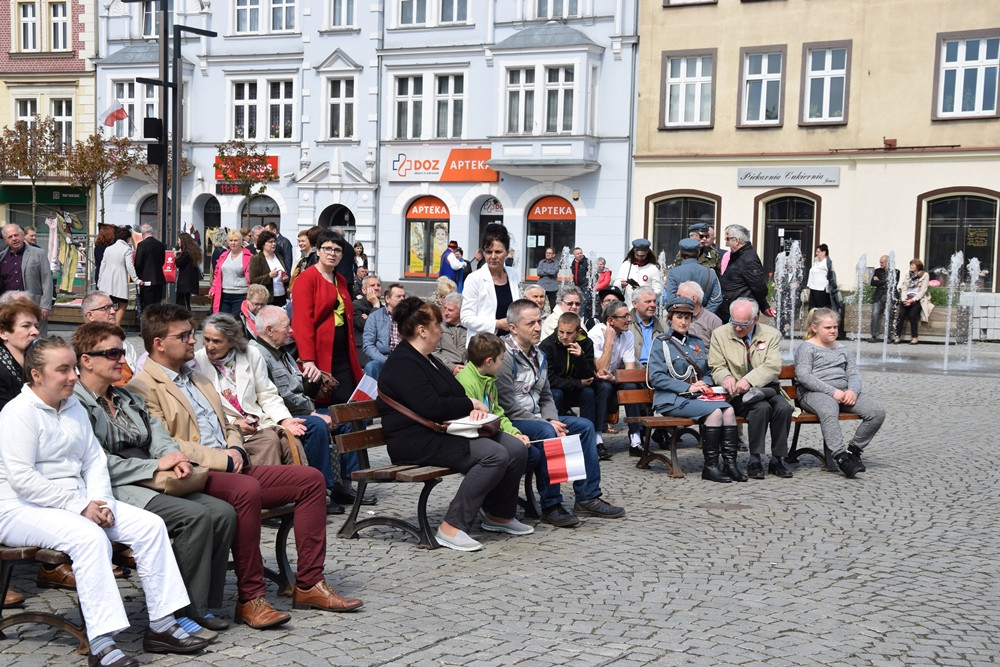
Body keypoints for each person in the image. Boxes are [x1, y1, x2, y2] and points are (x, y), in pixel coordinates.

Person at [127, 303, 364, 629]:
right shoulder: (142, 387)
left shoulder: (196, 377)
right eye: (184, 336)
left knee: (310, 480)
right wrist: (223, 458)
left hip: (231, 465)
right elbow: (167, 443)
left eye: (191, 334)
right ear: (158, 344)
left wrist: (236, 447)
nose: (192, 342)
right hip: (194, 475)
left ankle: (309, 583)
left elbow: (228, 422)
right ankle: (250, 597)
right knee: (247, 489)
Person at [0, 336, 210, 666]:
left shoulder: (72, 407)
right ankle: (101, 642)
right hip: (19, 507)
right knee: (89, 537)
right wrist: (81, 507)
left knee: (151, 526)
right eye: (63, 370)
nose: (72, 377)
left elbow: (94, 461)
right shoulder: (18, 413)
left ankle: (163, 625)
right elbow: (23, 480)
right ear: (36, 375)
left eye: (73, 368)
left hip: (79, 501)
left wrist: (102, 502)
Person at [72, 321, 237, 639]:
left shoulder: (123, 397)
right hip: (115, 485)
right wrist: (155, 466)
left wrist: (173, 458)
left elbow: (157, 433)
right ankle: (178, 612)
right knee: (195, 516)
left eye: (122, 351)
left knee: (223, 513)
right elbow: (94, 464)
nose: (122, 359)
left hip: (151, 477)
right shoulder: (77, 404)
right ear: (86, 360)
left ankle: (203, 605)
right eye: (112, 353)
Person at [376, 297, 531, 552]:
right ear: (421, 330)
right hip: (414, 441)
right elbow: (431, 406)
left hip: (440, 431)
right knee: (493, 455)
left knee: (515, 448)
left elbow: (454, 393)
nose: (442, 328)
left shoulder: (428, 358)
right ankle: (452, 526)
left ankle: (499, 515)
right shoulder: (403, 362)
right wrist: (469, 405)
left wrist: (468, 405)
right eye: (437, 323)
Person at [496, 299, 625, 528]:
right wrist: (547, 423)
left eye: (539, 321)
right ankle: (551, 504)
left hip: (537, 417)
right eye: (531, 323)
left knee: (584, 426)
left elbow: (545, 395)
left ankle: (587, 496)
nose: (538, 327)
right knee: (548, 431)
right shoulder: (503, 356)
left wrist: (552, 418)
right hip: (513, 421)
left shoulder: (538, 354)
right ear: (513, 327)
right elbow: (506, 405)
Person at [250, 306, 346, 513]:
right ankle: (322, 490)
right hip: (280, 414)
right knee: (316, 425)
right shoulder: (257, 355)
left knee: (345, 420)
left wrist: (312, 378)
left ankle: (344, 483)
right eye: (286, 327)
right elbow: (273, 395)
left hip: (300, 409)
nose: (291, 331)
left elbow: (299, 389)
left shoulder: (283, 352)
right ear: (269, 329)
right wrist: (311, 413)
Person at [194, 313, 308, 467]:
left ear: (231, 342)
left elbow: (266, 394)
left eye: (216, 341)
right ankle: (270, 488)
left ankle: (301, 488)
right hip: (226, 429)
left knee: (289, 438)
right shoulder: (197, 362)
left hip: (259, 421)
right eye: (206, 339)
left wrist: (284, 419)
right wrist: (233, 423)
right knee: (269, 440)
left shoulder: (251, 354)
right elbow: (202, 407)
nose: (209, 346)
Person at [647, 296, 737, 483]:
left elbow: (706, 371)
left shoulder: (695, 343)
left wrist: (707, 384)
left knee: (728, 410)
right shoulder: (661, 343)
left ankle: (730, 463)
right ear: (670, 318)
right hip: (670, 399)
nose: (683, 321)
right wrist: (688, 386)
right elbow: (656, 377)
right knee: (715, 413)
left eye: (687, 317)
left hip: (696, 398)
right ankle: (710, 467)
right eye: (679, 317)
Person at [708, 297, 793, 480]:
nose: (737, 328)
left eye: (743, 324)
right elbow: (716, 365)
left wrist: (750, 380)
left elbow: (772, 366)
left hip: (766, 389)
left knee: (783, 408)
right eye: (734, 322)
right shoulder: (719, 334)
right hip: (738, 394)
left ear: (755, 320)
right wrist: (726, 377)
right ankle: (755, 459)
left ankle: (778, 459)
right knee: (760, 408)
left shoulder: (771, 335)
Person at [795, 308, 885, 478]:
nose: (833, 331)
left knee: (877, 412)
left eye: (835, 327)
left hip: (843, 392)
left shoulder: (843, 349)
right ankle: (841, 457)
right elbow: (804, 376)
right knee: (829, 410)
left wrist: (853, 391)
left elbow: (853, 374)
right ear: (815, 328)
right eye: (828, 328)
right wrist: (832, 392)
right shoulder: (807, 348)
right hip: (813, 393)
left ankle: (854, 450)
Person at [538, 311, 612, 460]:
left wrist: (580, 357)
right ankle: (556, 437)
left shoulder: (586, 343)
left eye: (569, 333)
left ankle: (591, 440)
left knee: (589, 393)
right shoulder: (547, 345)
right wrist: (577, 383)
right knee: (556, 394)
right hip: (558, 388)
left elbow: (588, 375)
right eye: (561, 332)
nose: (564, 336)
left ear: (578, 332)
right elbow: (550, 379)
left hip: (576, 387)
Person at [588, 300, 643, 455]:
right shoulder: (596, 333)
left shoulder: (628, 335)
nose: (629, 319)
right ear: (610, 321)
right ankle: (597, 439)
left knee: (631, 386)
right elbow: (600, 370)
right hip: (596, 380)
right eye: (624, 316)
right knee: (603, 387)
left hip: (615, 377)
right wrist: (609, 342)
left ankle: (635, 438)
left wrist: (616, 379)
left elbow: (630, 371)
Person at [460, 223, 520, 339]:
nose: (493, 256)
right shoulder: (475, 279)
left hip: (510, 344)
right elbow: (466, 318)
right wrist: (496, 324)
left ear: (507, 252)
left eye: (498, 252)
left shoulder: (513, 274)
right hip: (483, 345)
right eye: (488, 252)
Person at [0, 224, 53, 336]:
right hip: (9, 307)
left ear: (22, 235)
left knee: (37, 340)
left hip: (34, 305)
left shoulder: (38, 254)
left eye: (16, 235)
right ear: (5, 240)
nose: (14, 239)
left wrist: (45, 304)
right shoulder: (2, 257)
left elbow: (47, 279)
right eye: (10, 237)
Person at [718, 224, 775, 323]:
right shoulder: (737, 256)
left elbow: (760, 289)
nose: (726, 243)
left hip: (740, 313)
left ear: (737, 240)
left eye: (727, 239)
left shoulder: (748, 259)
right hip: (730, 310)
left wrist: (763, 306)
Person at [81, 291, 140, 384]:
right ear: (90, 315)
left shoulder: (125, 343)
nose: (113, 312)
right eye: (106, 308)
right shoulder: (83, 346)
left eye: (113, 307)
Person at [97, 226, 143, 328]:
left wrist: (100, 281)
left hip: (106, 281)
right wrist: (136, 279)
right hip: (119, 281)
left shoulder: (108, 249)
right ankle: (116, 327)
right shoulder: (127, 249)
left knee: (108, 305)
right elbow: (130, 266)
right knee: (122, 304)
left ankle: (105, 326)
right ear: (127, 238)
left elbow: (102, 265)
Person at [0, 299, 40, 411]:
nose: (35, 332)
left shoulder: (38, 362)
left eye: (36, 326)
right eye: (26, 326)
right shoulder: (2, 372)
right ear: (3, 333)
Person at [666, 238, 722, 313]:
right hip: (703, 319)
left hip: (681, 318)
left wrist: (682, 314)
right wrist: (704, 315)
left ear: (680, 253)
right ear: (698, 252)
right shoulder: (710, 272)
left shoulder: (673, 273)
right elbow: (717, 298)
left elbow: (671, 299)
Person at [362, 282, 405, 379]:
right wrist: (385, 360)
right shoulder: (375, 317)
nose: (402, 299)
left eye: (403, 296)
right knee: (371, 367)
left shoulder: (409, 317)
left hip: (404, 357)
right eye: (398, 296)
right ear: (387, 299)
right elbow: (368, 345)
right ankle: (370, 394)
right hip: (382, 358)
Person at [210, 230, 252, 315]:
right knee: (223, 323)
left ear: (241, 241)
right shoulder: (223, 256)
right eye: (231, 240)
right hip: (224, 295)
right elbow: (217, 275)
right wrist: (213, 289)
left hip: (241, 295)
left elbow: (252, 278)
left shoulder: (249, 257)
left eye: (236, 240)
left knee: (236, 323)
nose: (233, 243)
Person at [677, 281, 723, 353]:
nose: (676, 299)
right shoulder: (675, 319)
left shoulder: (713, 321)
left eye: (680, 296)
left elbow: (719, 352)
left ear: (694, 299)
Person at [615, 238, 662, 306]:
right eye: (637, 255)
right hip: (628, 305)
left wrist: (643, 292)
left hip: (645, 307)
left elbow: (658, 291)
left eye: (642, 256)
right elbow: (616, 283)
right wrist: (621, 284)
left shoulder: (653, 268)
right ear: (634, 252)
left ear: (647, 253)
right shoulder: (626, 265)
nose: (640, 257)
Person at [894, 259, 930, 345]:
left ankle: (915, 338)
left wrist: (913, 300)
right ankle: (897, 337)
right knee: (901, 316)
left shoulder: (925, 275)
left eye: (913, 265)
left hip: (917, 299)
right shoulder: (908, 275)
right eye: (910, 265)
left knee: (913, 315)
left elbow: (923, 290)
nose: (911, 266)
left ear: (918, 266)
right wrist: (904, 299)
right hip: (906, 298)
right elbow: (904, 288)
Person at [248, 230, 289, 307]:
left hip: (282, 296)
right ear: (263, 244)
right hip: (267, 299)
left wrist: (286, 279)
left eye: (274, 241)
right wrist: (269, 276)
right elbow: (253, 281)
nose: (273, 244)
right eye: (270, 242)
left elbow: (284, 273)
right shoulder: (256, 258)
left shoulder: (279, 256)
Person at [433, 292, 468, 375]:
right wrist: (451, 367)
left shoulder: (469, 327)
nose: (446, 313)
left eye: (450, 310)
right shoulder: (438, 326)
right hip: (444, 370)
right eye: (445, 308)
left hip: (467, 370)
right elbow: (433, 352)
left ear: (461, 311)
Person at [353, 273, 382, 367]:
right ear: (364, 290)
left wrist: (369, 317)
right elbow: (366, 326)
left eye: (378, 285)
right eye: (372, 285)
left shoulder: (383, 307)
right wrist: (375, 306)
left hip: (379, 348)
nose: (377, 288)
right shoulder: (356, 305)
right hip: (363, 349)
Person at [134, 224, 167, 308]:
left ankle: (148, 321)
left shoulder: (142, 245)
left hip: (146, 280)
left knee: (147, 307)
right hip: (159, 279)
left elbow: (138, 264)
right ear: (151, 232)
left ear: (142, 233)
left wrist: (139, 276)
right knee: (157, 306)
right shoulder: (160, 244)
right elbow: (162, 262)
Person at [868, 255, 898, 343]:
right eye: (880, 262)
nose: (880, 264)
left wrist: (879, 281)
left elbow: (893, 284)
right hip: (879, 296)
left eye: (882, 262)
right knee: (875, 313)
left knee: (889, 314)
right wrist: (885, 281)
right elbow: (873, 283)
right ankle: (873, 335)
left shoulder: (896, 271)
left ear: (888, 262)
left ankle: (888, 336)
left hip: (890, 295)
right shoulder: (877, 271)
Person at [807, 244, 841, 312]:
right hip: (813, 288)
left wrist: (832, 287)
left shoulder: (826, 262)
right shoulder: (816, 262)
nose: (816, 253)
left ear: (824, 252)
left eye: (818, 252)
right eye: (816, 252)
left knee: (820, 308)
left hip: (821, 289)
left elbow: (831, 275)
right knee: (811, 308)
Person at [175, 232, 203, 311]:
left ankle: (188, 320)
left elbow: (179, 263)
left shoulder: (186, 253)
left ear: (183, 241)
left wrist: (176, 255)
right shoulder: (191, 251)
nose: (178, 242)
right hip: (189, 282)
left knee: (183, 303)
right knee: (185, 302)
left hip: (185, 282)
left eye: (178, 240)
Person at [536, 247, 560, 311]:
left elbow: (554, 272)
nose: (548, 254)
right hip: (542, 286)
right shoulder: (541, 262)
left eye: (550, 253)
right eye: (547, 253)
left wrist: (544, 270)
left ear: (553, 255)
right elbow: (538, 272)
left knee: (553, 306)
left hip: (552, 287)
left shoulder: (556, 262)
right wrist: (549, 272)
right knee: (540, 305)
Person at [570, 247, 591, 319]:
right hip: (576, 286)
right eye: (578, 254)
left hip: (585, 286)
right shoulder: (573, 262)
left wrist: (587, 283)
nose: (580, 255)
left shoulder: (587, 262)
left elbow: (592, 275)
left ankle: (581, 319)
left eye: (581, 253)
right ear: (574, 255)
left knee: (583, 304)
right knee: (577, 302)